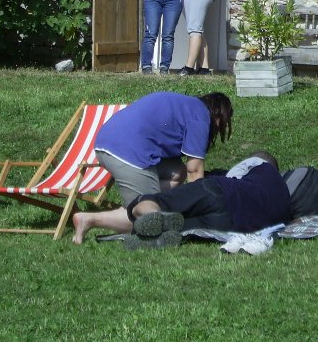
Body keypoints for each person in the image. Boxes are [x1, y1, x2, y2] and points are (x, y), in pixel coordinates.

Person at [71, 91, 233, 244]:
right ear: (218, 114)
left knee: (178, 171)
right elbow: (195, 171)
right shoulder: (201, 117)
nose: (219, 128)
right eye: (223, 123)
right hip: (128, 151)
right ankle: (90, 219)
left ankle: (150, 200)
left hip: (107, 140)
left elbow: (185, 170)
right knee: (149, 222)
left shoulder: (188, 106)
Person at [125, 151, 292, 249]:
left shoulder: (259, 163)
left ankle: (152, 214)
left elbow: (231, 176)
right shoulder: (283, 195)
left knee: (153, 202)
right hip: (232, 225)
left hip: (224, 192)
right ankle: (154, 237)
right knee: (183, 223)